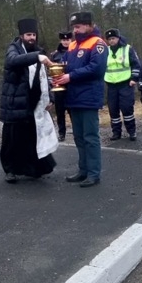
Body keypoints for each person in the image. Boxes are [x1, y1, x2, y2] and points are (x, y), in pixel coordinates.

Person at [0, 18, 59, 183]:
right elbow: (12, 61)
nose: (32, 37)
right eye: (28, 34)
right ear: (21, 35)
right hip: (14, 102)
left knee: (33, 137)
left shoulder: (38, 51)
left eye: (33, 34)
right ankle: (10, 170)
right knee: (11, 139)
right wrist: (37, 57)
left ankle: (34, 169)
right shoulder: (14, 49)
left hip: (33, 102)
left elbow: (45, 78)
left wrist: (51, 98)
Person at [51, 11, 107, 188]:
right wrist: (58, 73)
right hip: (73, 97)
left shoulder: (98, 44)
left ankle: (93, 173)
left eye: (79, 26)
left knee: (90, 137)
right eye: (74, 27)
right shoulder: (73, 45)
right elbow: (66, 65)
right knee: (78, 137)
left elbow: (96, 69)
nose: (75, 30)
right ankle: (83, 170)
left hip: (89, 97)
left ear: (89, 25)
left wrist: (70, 76)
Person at [103, 28, 140, 141]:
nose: (111, 41)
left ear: (118, 38)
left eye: (113, 38)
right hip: (111, 85)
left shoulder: (127, 49)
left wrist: (134, 78)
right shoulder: (106, 51)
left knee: (127, 109)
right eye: (109, 39)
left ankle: (131, 131)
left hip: (126, 84)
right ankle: (116, 132)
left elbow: (136, 64)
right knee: (113, 110)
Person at [49, 30, 72, 141]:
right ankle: (61, 133)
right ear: (60, 40)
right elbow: (50, 71)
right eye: (64, 40)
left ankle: (77, 131)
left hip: (72, 86)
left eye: (68, 40)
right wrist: (51, 82)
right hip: (59, 87)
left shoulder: (75, 52)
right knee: (60, 111)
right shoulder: (54, 55)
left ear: (71, 40)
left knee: (73, 110)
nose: (66, 42)